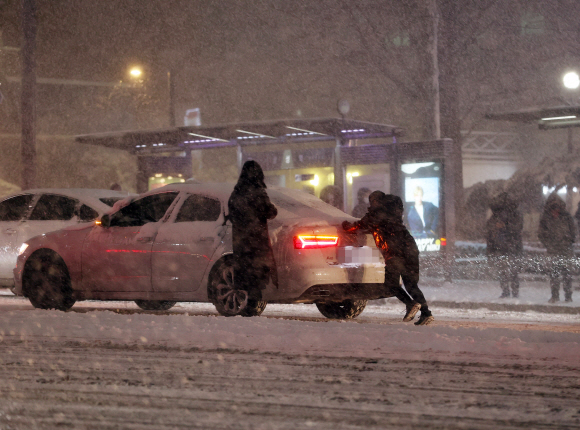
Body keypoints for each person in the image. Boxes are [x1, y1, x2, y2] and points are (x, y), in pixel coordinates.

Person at [342, 191, 434, 325]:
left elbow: (359, 226)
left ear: (376, 202)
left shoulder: (376, 215)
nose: (371, 204)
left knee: (390, 285)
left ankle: (410, 304)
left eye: (372, 201)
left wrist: (345, 226)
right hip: (411, 248)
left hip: (395, 252)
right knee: (411, 285)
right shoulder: (394, 211)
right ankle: (426, 313)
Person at [228, 161, 278, 301]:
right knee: (256, 277)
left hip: (240, 243)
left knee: (245, 275)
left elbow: (232, 215)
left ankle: (246, 302)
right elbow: (271, 212)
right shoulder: (258, 193)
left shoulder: (236, 193)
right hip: (257, 242)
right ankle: (252, 304)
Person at [538, 193, 575, 303]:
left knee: (567, 275)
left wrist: (565, 242)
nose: (555, 211)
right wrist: (550, 244)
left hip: (566, 250)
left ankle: (568, 296)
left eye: (557, 207)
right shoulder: (545, 218)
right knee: (554, 275)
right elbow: (541, 234)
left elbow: (573, 233)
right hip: (553, 251)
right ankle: (555, 295)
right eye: (553, 208)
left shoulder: (567, 217)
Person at [485, 192, 523, 299]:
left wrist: (504, 226)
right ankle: (507, 291)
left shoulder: (511, 216)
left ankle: (513, 291)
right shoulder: (497, 217)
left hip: (508, 247)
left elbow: (517, 228)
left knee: (510, 271)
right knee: (504, 271)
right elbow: (489, 230)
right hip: (502, 247)